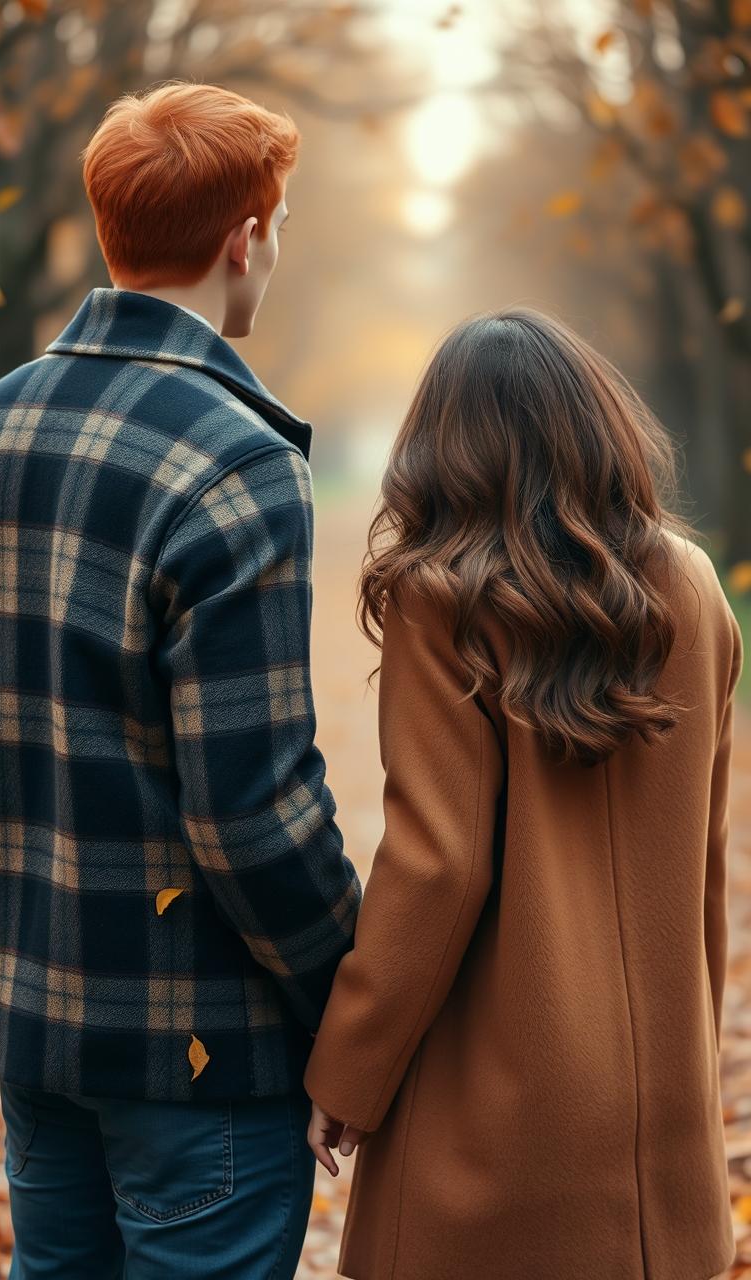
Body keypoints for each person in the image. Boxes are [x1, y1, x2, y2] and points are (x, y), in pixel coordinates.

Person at [0, 81, 361, 1278]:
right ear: (247, 235)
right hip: (202, 1052)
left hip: (38, 1029)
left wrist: (35, 888)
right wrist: (349, 1013)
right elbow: (252, 802)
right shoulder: (239, 461)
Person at [304, 309, 742, 1280]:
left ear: (442, 450)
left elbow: (436, 862)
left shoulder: (442, 596)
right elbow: (702, 872)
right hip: (655, 1137)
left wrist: (348, 1073)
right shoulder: (697, 586)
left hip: (493, 1132)